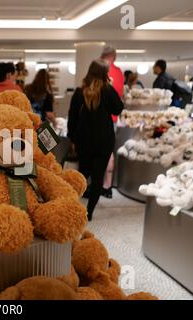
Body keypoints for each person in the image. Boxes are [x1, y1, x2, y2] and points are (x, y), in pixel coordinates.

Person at [67, 59, 124, 221]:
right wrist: (110, 86)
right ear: (104, 74)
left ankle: (73, 206)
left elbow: (72, 118)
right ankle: (89, 213)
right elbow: (118, 108)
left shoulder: (79, 92)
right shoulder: (107, 91)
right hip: (104, 141)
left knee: (82, 174)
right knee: (98, 177)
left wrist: (72, 138)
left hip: (83, 141)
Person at [100, 45, 124, 199]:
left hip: (101, 118)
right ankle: (107, 185)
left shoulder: (102, 71)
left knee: (101, 152)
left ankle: (100, 184)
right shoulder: (119, 73)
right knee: (109, 152)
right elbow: (119, 99)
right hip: (112, 120)